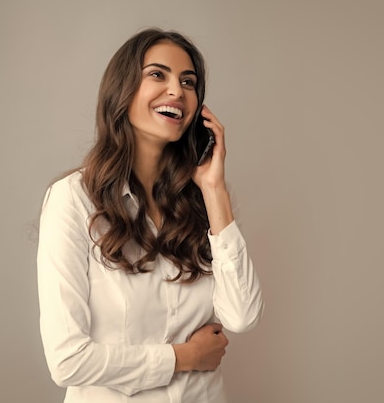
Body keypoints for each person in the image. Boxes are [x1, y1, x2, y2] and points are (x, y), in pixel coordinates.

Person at [36, 28, 264, 403]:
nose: (177, 90)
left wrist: (214, 190)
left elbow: (242, 316)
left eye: (188, 82)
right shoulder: (73, 200)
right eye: (158, 74)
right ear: (122, 91)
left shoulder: (204, 200)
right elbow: (68, 361)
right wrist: (183, 358)